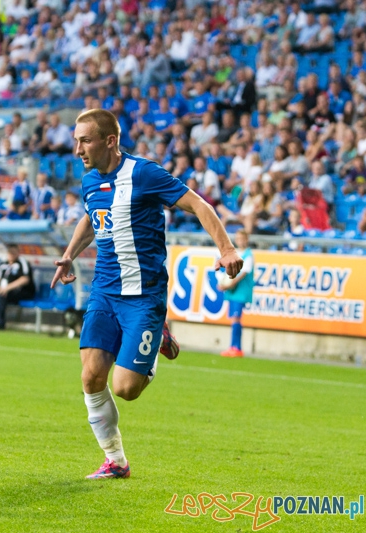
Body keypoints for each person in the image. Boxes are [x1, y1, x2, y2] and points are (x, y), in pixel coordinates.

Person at [51, 109, 243, 479]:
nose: (77, 149)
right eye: (75, 140)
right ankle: (116, 461)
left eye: (85, 140)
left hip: (143, 295)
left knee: (125, 388)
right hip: (104, 292)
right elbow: (93, 217)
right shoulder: (91, 181)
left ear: (110, 141)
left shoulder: (145, 174)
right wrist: (68, 255)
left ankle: (156, 340)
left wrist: (227, 249)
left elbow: (198, 204)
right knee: (91, 377)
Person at [219, 230, 254, 358]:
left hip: (240, 292)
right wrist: (223, 282)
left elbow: (243, 273)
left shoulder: (248, 255)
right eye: (238, 238)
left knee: (236, 319)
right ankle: (233, 347)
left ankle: (236, 347)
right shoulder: (237, 254)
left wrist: (230, 284)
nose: (240, 241)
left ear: (247, 239)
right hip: (233, 292)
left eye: (242, 238)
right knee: (234, 319)